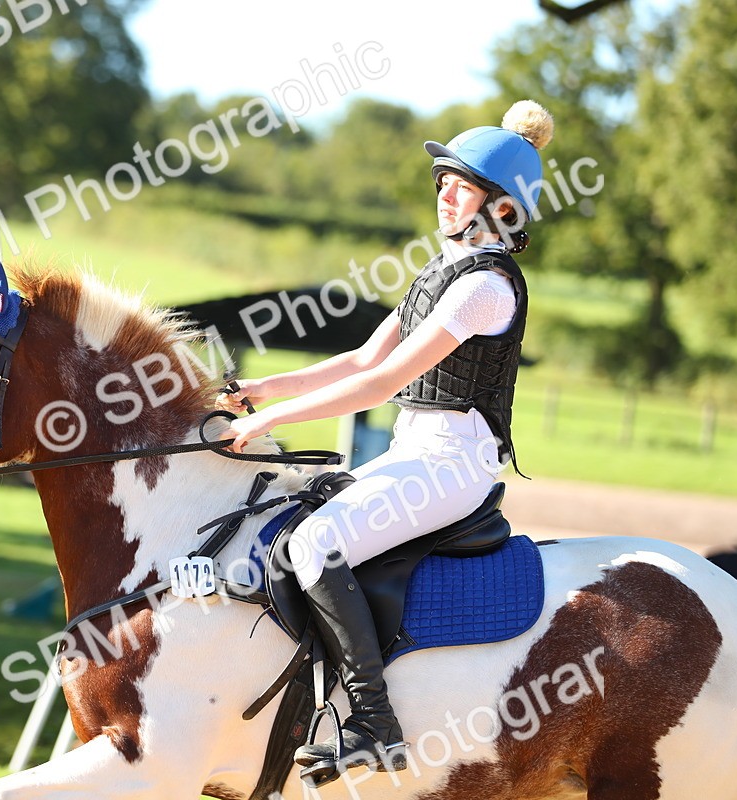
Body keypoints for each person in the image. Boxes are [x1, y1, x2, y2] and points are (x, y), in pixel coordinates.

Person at [215, 100, 554, 782]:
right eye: (444, 180)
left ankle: (373, 720)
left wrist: (266, 425)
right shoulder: (442, 275)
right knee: (295, 527)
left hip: (452, 464)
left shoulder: (484, 287)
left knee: (315, 544)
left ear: (503, 210)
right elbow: (360, 362)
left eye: (461, 183)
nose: (444, 191)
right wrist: (264, 388)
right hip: (415, 452)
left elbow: (385, 383)